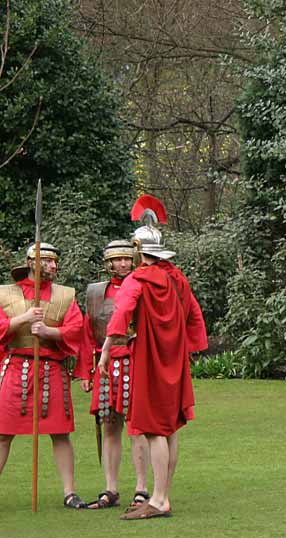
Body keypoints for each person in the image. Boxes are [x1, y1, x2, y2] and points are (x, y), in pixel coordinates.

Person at [98, 218, 207, 520]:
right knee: (169, 428)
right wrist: (189, 346)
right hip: (175, 359)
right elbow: (194, 315)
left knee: (155, 429)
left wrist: (106, 350)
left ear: (137, 251)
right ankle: (163, 495)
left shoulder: (137, 279)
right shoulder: (177, 278)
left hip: (150, 358)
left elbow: (121, 314)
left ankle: (159, 500)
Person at [0, 242, 89, 508]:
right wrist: (24, 319)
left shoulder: (64, 295)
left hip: (52, 370)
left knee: (60, 433)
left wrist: (50, 332)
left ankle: (69, 492)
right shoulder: (6, 294)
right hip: (16, 368)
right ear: (31, 263)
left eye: (54, 262)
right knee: (2, 433)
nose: (53, 266)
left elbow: (76, 329)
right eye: (47, 261)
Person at [81, 239, 151, 510]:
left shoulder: (142, 286)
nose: (122, 264)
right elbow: (88, 334)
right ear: (108, 263)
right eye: (117, 260)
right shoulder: (96, 293)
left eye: (126, 259)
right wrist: (86, 369)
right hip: (106, 365)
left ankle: (141, 488)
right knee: (109, 425)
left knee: (138, 427)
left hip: (135, 361)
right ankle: (110, 488)